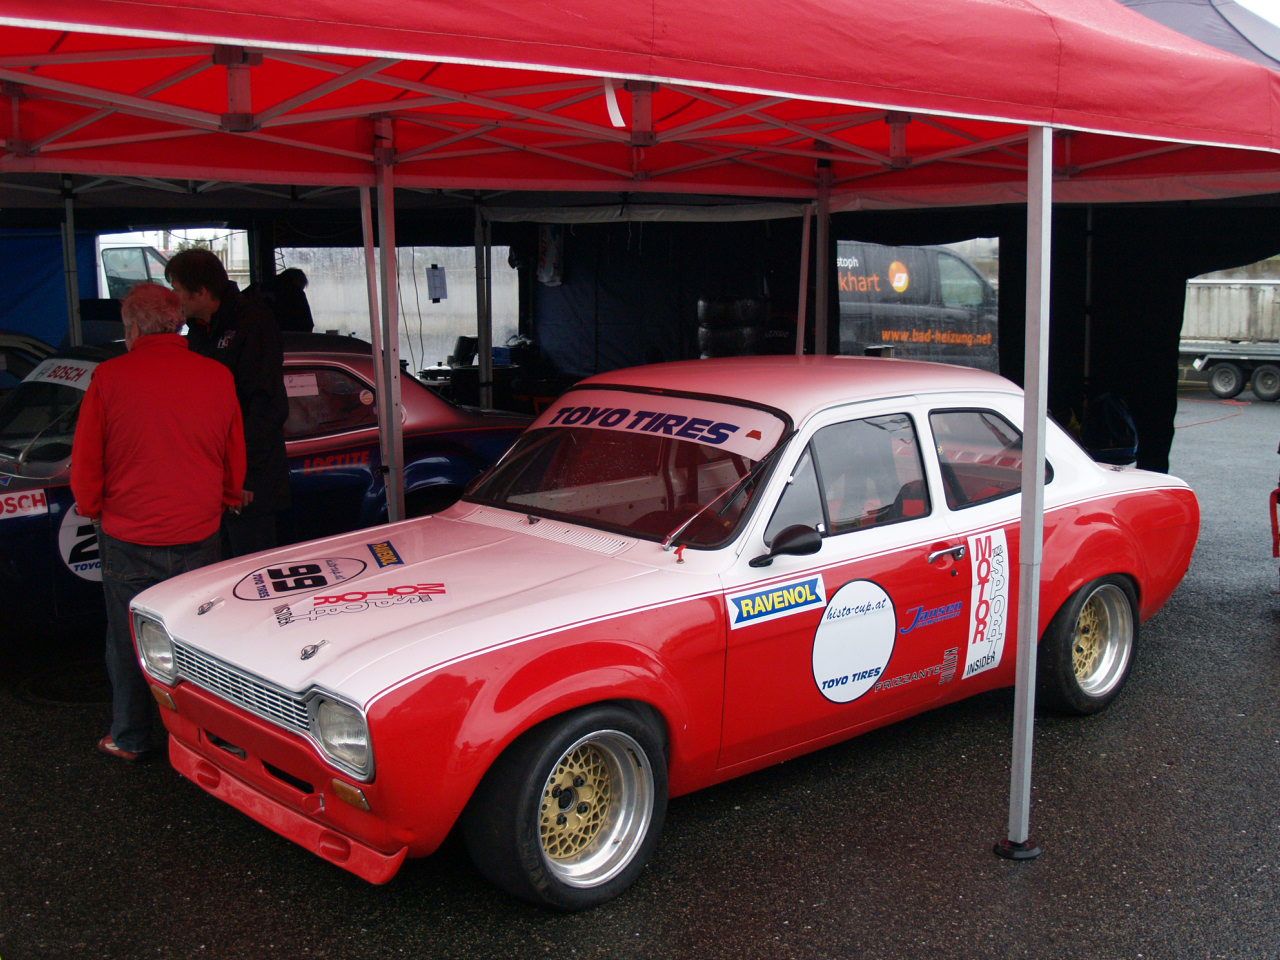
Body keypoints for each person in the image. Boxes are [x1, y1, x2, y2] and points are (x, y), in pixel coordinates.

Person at [71, 283, 245, 761]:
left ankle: (130, 735)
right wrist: (229, 495)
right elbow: (233, 449)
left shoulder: (110, 377)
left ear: (132, 328)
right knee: (199, 636)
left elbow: (87, 459)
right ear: (178, 323)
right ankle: (211, 737)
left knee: (128, 636)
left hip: (129, 531)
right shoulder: (216, 375)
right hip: (198, 528)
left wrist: (91, 506)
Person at [165, 249, 291, 556]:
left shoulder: (253, 322)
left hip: (250, 479)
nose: (173, 298)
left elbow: (265, 407)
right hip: (211, 476)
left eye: (177, 289)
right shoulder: (198, 329)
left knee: (251, 567)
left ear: (201, 291)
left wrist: (242, 476)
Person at [247, 267, 314, 333]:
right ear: (297, 282)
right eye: (301, 288)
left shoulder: (256, 289)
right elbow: (307, 325)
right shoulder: (296, 293)